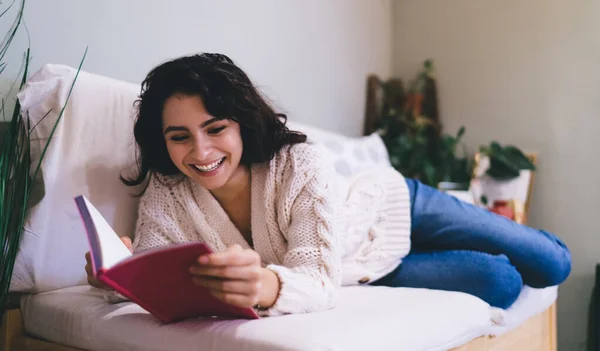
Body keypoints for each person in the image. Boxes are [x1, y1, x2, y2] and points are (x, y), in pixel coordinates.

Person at [84, 53, 571, 317]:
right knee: (501, 282)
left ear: (241, 124)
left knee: (553, 264)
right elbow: (151, 277)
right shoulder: (167, 194)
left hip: (391, 208)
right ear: (161, 142)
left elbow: (307, 278)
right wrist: (114, 275)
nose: (202, 152)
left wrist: (268, 285)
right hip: (359, 266)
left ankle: (477, 223)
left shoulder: (296, 161)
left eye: (216, 129)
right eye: (179, 137)